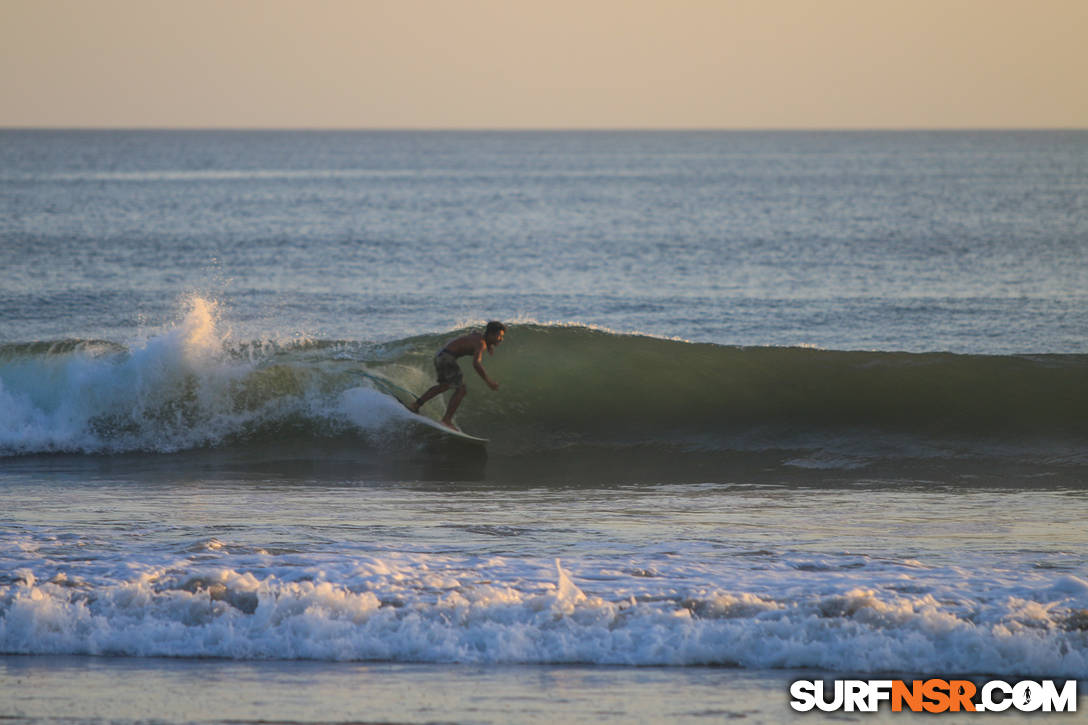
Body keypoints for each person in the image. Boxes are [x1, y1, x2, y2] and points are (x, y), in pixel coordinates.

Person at [409, 321, 506, 430]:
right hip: (447, 358)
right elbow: (476, 364)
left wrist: (489, 345)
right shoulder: (481, 343)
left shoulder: (478, 336)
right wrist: (489, 381)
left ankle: (416, 405)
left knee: (444, 386)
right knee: (461, 390)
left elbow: (474, 332)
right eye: (499, 336)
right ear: (491, 334)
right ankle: (446, 421)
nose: (501, 339)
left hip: (441, 356)